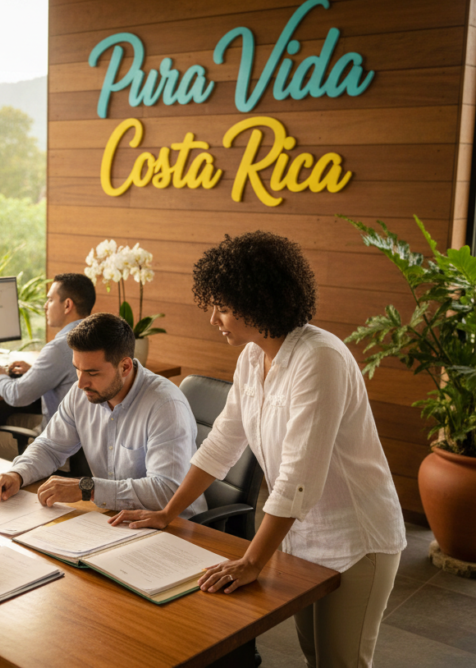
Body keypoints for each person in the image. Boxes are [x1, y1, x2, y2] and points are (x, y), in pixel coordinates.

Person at [110, 231, 406, 668]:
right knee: (313, 655)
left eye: (223, 307)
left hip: (357, 539)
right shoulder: (252, 357)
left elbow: (297, 477)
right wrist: (166, 513)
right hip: (299, 537)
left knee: (342, 662)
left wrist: (251, 560)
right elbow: (221, 445)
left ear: (260, 302)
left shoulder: (319, 358)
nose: (214, 318)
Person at [0, 312, 206, 517]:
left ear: (125, 367)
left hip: (175, 527)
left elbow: (165, 491)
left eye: (92, 372)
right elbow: (50, 447)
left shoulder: (165, 405)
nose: (80, 383)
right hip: (113, 518)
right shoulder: (84, 392)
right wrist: (17, 474)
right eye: (77, 369)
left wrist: (87, 488)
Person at [0, 273, 96, 460]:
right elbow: (65, 372)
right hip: (88, 441)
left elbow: (17, 395)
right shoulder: (96, 337)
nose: (45, 306)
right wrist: (36, 371)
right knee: (13, 420)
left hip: (61, 448)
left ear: (67, 305)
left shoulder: (59, 347)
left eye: (50, 300)